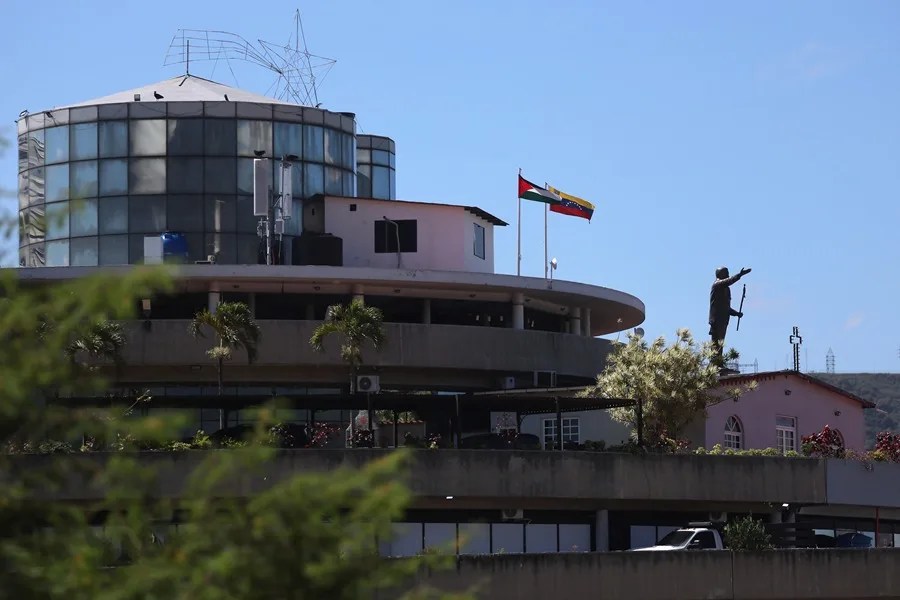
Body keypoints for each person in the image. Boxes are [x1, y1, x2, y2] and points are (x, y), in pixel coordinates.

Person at [709, 266, 751, 355]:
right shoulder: (717, 284)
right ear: (721, 274)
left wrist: (736, 314)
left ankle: (719, 362)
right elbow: (729, 281)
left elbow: (726, 307)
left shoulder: (726, 289)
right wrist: (739, 275)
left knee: (721, 342)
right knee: (716, 342)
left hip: (723, 319)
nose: (728, 275)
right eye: (726, 273)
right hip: (717, 319)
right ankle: (715, 363)